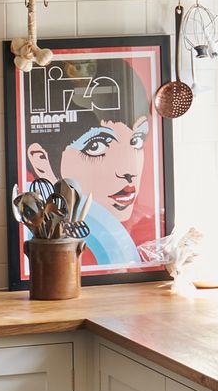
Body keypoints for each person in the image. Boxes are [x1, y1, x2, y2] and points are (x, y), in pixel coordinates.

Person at [19, 58, 155, 268]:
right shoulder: (41, 223)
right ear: (42, 160)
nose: (128, 171)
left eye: (136, 141)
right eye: (96, 147)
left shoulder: (150, 232)